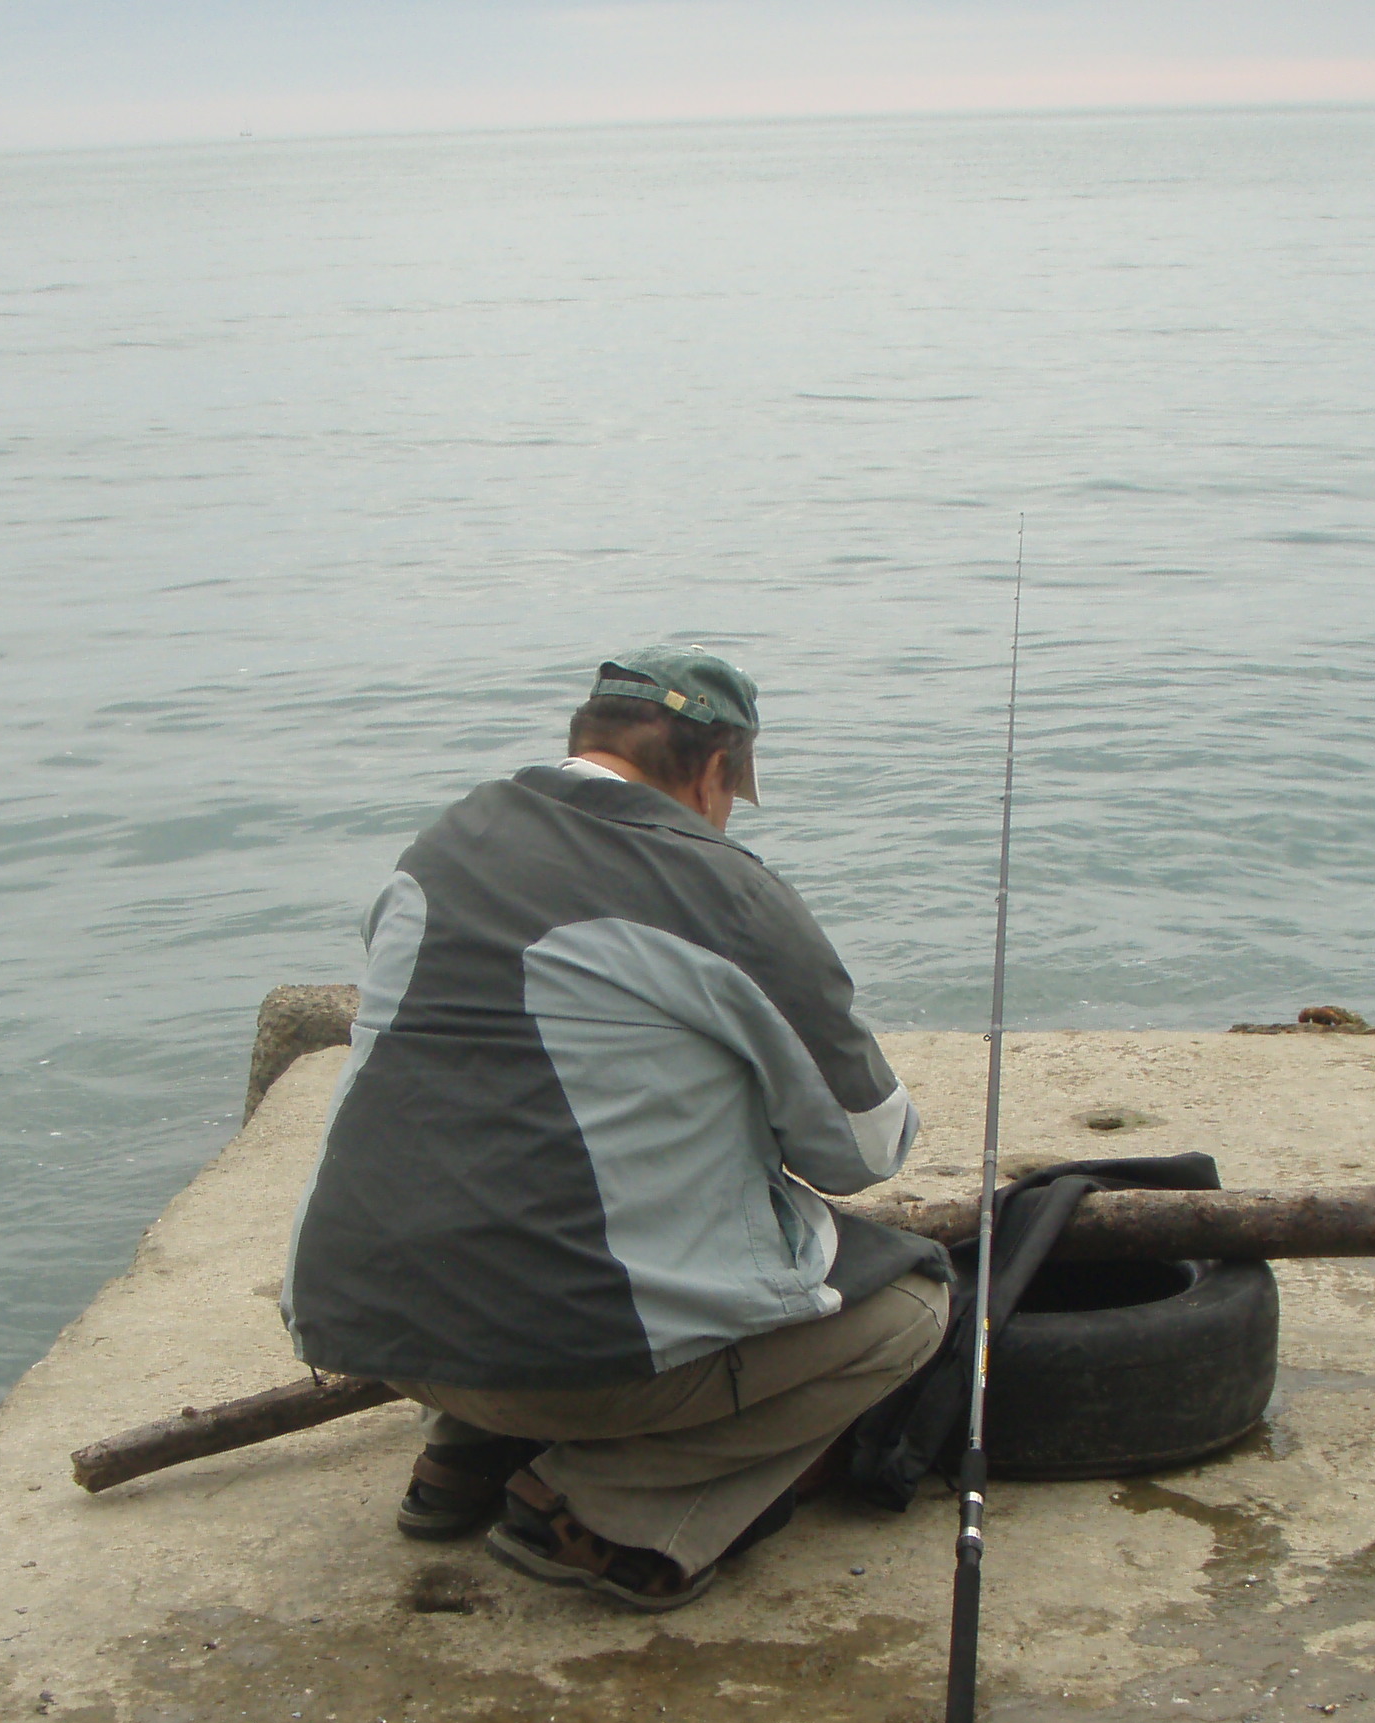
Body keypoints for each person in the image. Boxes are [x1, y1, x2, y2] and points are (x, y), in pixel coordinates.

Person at [281, 647, 950, 1610]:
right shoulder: (724, 890)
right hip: (569, 1361)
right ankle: (599, 1512)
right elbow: (861, 1153)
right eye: (732, 788)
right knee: (913, 1310)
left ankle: (458, 1460)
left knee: (492, 1154)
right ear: (716, 768)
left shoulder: (443, 842)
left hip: (369, 1324)